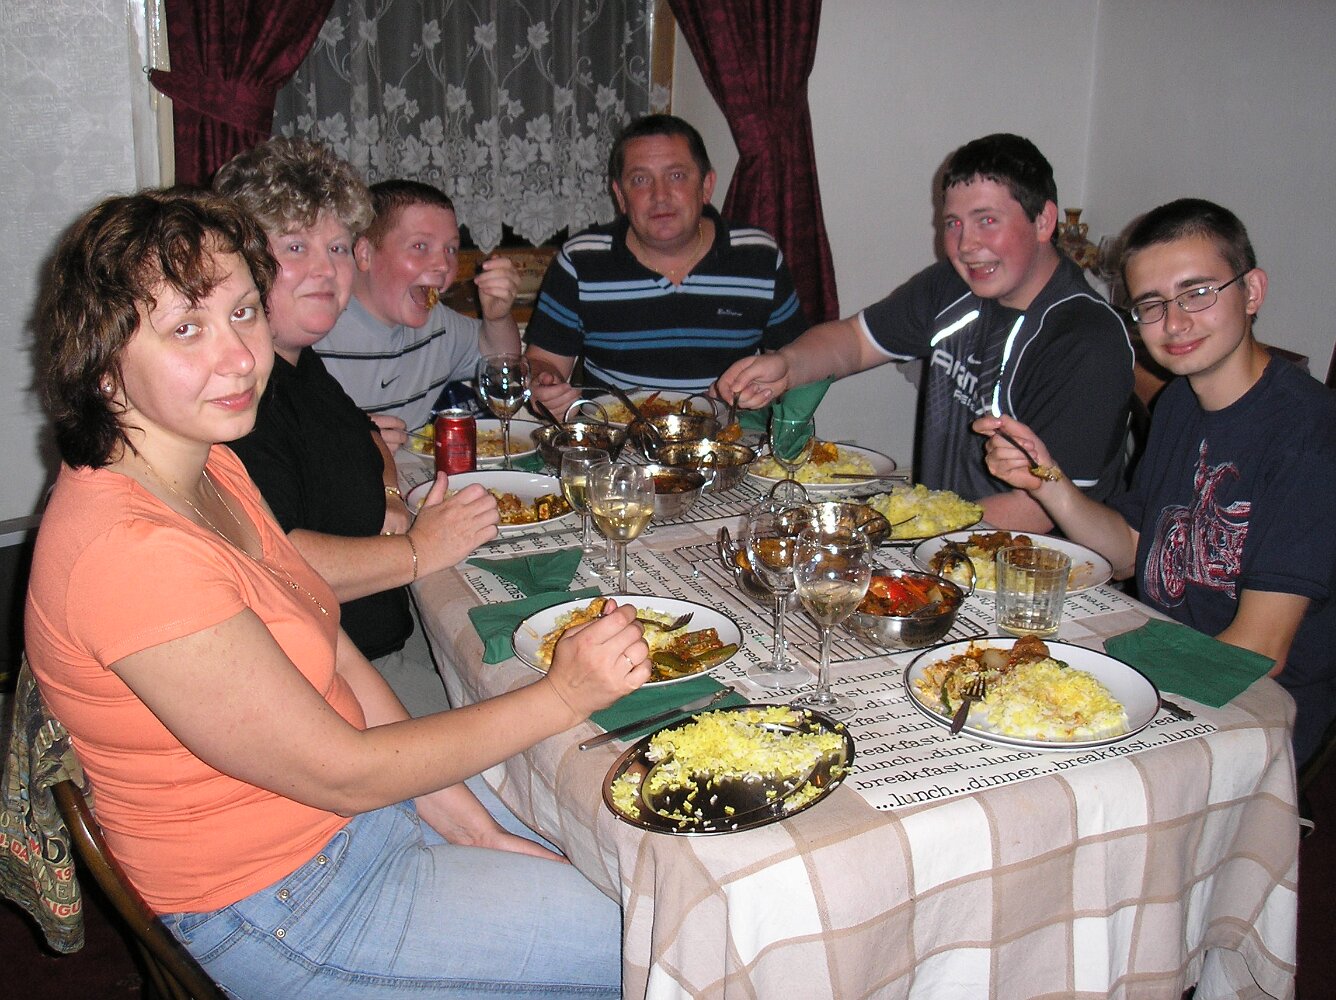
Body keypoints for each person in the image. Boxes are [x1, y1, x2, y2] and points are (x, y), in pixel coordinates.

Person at [24, 188, 647, 996]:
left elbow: (334, 649)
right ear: (103, 362)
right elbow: (344, 772)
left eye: (243, 313)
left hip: (355, 824)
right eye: (186, 328)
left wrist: (465, 821)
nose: (239, 357)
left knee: (635, 864)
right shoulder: (130, 553)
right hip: (286, 902)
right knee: (654, 942)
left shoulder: (206, 463)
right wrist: (564, 694)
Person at [975, 198, 1336, 769]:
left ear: (1252, 291)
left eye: (1198, 293)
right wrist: (1046, 481)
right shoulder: (1178, 404)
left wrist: (1094, 679)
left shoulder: (1308, 433)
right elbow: (1132, 551)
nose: (1174, 323)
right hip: (1165, 651)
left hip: (1250, 710)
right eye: (1151, 305)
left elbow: (1260, 652)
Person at [718, 133, 1134, 532]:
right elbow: (855, 341)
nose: (965, 244)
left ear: (1043, 221)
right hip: (939, 540)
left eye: (987, 220)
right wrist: (787, 366)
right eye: (953, 223)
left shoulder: (1088, 338)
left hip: (1034, 562)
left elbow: (1038, 510)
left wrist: (892, 526)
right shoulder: (951, 286)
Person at [214, 139, 463, 716]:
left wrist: (391, 497)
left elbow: (369, 435)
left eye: (338, 248)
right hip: (323, 678)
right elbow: (274, 564)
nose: (326, 270)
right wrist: (418, 550)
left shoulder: (296, 362)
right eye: (295, 247)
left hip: (385, 635)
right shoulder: (237, 396)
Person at [524, 113, 809, 414]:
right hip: (614, 438)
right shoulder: (580, 259)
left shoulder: (758, 255)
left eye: (676, 176)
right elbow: (543, 361)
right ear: (620, 196)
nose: (659, 196)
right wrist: (545, 384)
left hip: (728, 437)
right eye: (640, 180)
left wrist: (763, 392)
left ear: (706, 185)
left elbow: (793, 364)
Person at [314, 180, 522, 439]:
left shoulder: (437, 324)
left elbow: (502, 364)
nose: (443, 265)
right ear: (365, 254)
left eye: (451, 249)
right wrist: (356, 445)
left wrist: (497, 318)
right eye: (420, 246)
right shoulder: (317, 330)